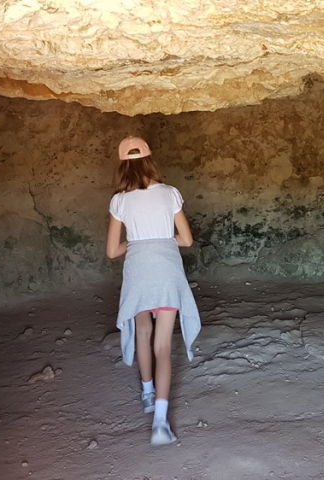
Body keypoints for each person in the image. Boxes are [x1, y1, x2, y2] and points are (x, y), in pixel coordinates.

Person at [106, 136, 201, 446]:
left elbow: (111, 251)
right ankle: (160, 422)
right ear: (150, 160)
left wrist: (137, 243)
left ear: (123, 164)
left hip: (138, 274)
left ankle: (147, 393)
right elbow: (186, 239)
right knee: (163, 346)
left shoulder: (120, 201)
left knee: (142, 332)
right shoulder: (170, 194)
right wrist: (162, 240)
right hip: (166, 272)